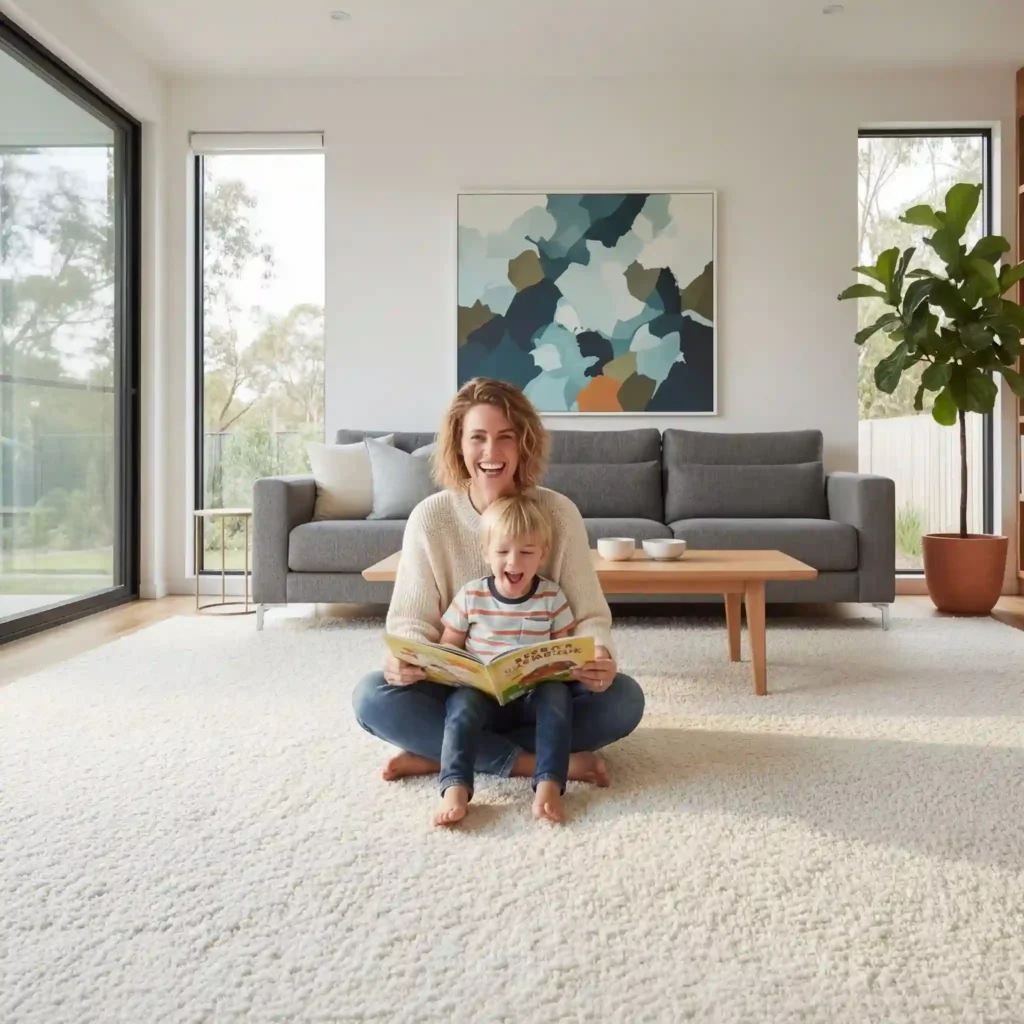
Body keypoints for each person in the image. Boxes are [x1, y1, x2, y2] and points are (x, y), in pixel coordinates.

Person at [352, 377, 645, 795]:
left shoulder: (558, 513)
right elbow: (410, 624)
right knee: (371, 697)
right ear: (458, 445)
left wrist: (598, 655)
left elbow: (590, 617)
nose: (491, 453)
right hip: (460, 698)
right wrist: (404, 660)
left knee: (624, 700)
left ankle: (443, 755)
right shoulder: (429, 518)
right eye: (478, 438)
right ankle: (534, 762)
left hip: (543, 698)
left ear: (524, 443)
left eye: (505, 437)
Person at [434, 495, 579, 827]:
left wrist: (569, 666)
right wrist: (458, 669)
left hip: (532, 695)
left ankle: (549, 783)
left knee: (559, 697)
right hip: (481, 692)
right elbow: (449, 648)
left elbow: (565, 649)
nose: (514, 562)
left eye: (527, 552)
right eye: (502, 552)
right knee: (460, 709)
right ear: (486, 553)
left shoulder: (551, 597)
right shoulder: (472, 595)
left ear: (542, 555)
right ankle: (454, 787)